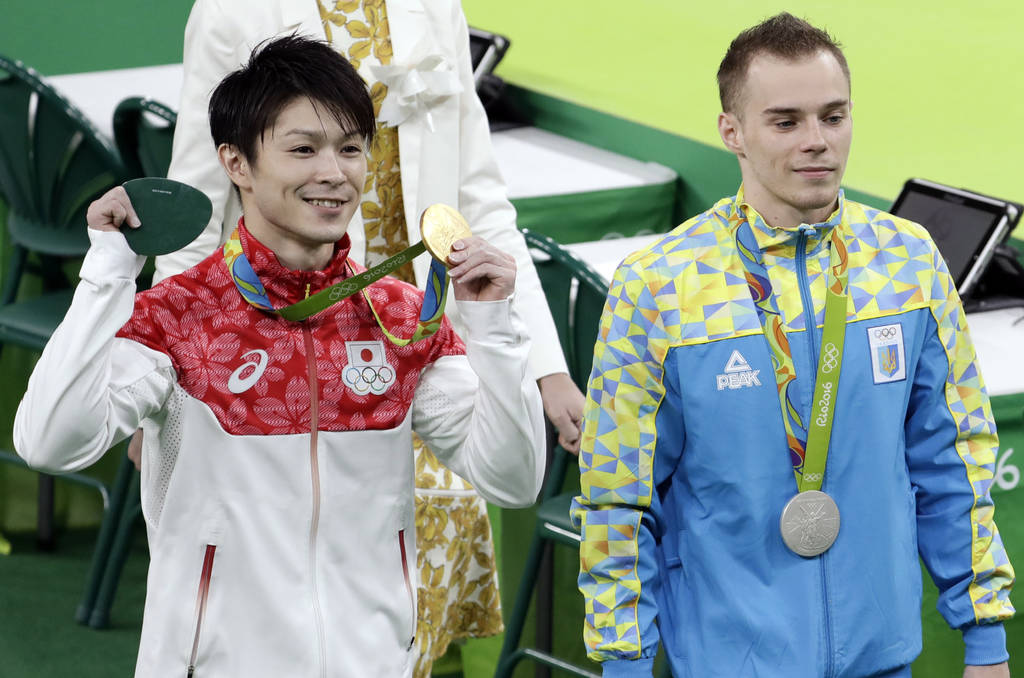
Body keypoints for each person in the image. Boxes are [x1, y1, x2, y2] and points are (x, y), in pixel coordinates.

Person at [14, 35, 545, 677]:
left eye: (351, 148)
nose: (334, 172)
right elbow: (49, 443)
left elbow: (514, 480)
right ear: (236, 162)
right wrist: (107, 275)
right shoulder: (179, 317)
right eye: (303, 149)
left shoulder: (401, 318)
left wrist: (493, 327)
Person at [571, 13, 1014, 678]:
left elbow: (954, 458)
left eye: (834, 117)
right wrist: (625, 663)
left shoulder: (907, 262)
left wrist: (985, 639)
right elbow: (619, 495)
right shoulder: (661, 285)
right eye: (786, 122)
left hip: (882, 656)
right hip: (730, 661)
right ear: (732, 131)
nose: (818, 142)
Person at [151, 3, 584, 671]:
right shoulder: (231, 11)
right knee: (295, 602)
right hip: (278, 357)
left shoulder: (434, 6)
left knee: (409, 605)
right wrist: (162, 381)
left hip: (425, 355)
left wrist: (545, 369)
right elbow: (196, 205)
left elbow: (479, 200)